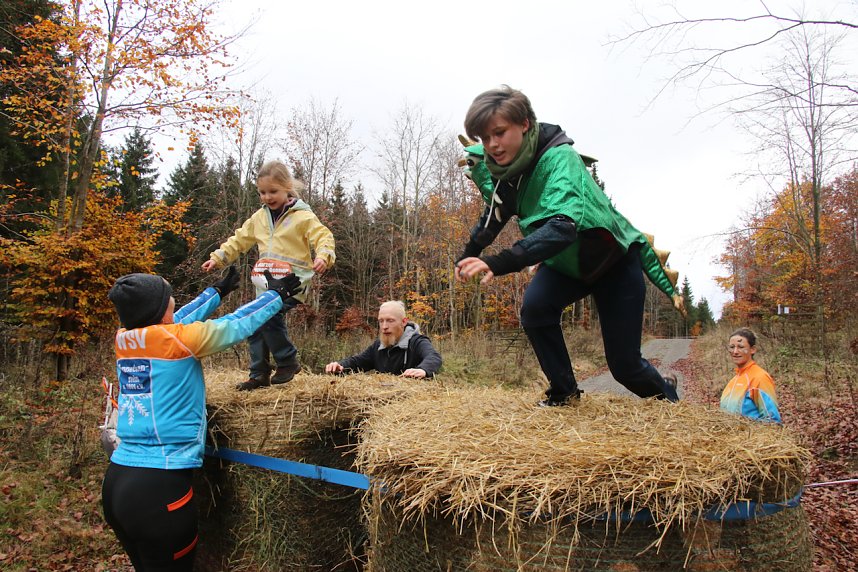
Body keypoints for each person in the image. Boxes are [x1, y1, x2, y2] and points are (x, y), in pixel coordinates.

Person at [454, 85, 684, 407]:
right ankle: (564, 392)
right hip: (567, 265)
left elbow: (562, 228)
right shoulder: (506, 176)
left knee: (624, 367)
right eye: (484, 137)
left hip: (612, 261)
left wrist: (499, 261)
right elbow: (491, 221)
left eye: (499, 133)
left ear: (524, 124)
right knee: (535, 310)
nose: (492, 144)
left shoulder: (560, 158)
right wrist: (466, 257)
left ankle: (668, 397)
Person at [103, 267, 301, 571]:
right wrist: (275, 295)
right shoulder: (177, 341)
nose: (173, 302)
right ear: (158, 309)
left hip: (118, 482)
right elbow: (235, 324)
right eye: (168, 297)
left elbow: (180, 319)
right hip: (158, 490)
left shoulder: (125, 338)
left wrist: (216, 292)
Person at [202, 160, 335, 391]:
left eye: (273, 191)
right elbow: (239, 239)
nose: (267, 197)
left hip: (293, 281)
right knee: (255, 322)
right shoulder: (259, 218)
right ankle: (259, 374)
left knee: (268, 315)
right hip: (266, 285)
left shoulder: (303, 217)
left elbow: (323, 236)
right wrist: (219, 257)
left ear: (287, 188)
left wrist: (323, 256)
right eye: (262, 192)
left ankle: (287, 360)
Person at [324, 301, 442, 378]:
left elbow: (433, 357)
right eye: (381, 321)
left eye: (390, 321)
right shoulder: (378, 346)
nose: (384, 326)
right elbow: (357, 362)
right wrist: (340, 366)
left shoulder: (417, 342)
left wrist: (423, 370)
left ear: (404, 322)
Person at [720, 328, 781, 422]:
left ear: (752, 350)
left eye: (741, 347)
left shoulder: (759, 378)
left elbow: (772, 421)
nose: (735, 351)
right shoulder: (734, 380)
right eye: (732, 347)